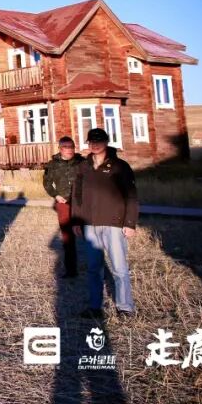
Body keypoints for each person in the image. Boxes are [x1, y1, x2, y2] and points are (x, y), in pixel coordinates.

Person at [73, 127, 138, 318]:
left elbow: (131, 196)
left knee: (119, 268)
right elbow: (76, 195)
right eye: (92, 141)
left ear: (106, 142)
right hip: (90, 224)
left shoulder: (120, 166)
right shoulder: (83, 167)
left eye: (99, 141)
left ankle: (125, 307)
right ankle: (95, 307)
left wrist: (130, 222)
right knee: (94, 268)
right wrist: (76, 220)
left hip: (113, 223)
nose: (95, 145)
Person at [43, 136, 84, 278]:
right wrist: (55, 195)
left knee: (91, 236)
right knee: (67, 237)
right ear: (60, 149)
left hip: (83, 203)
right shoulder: (52, 165)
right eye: (66, 147)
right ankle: (71, 270)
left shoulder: (82, 162)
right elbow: (47, 183)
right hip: (64, 204)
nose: (69, 150)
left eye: (71, 147)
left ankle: (97, 270)